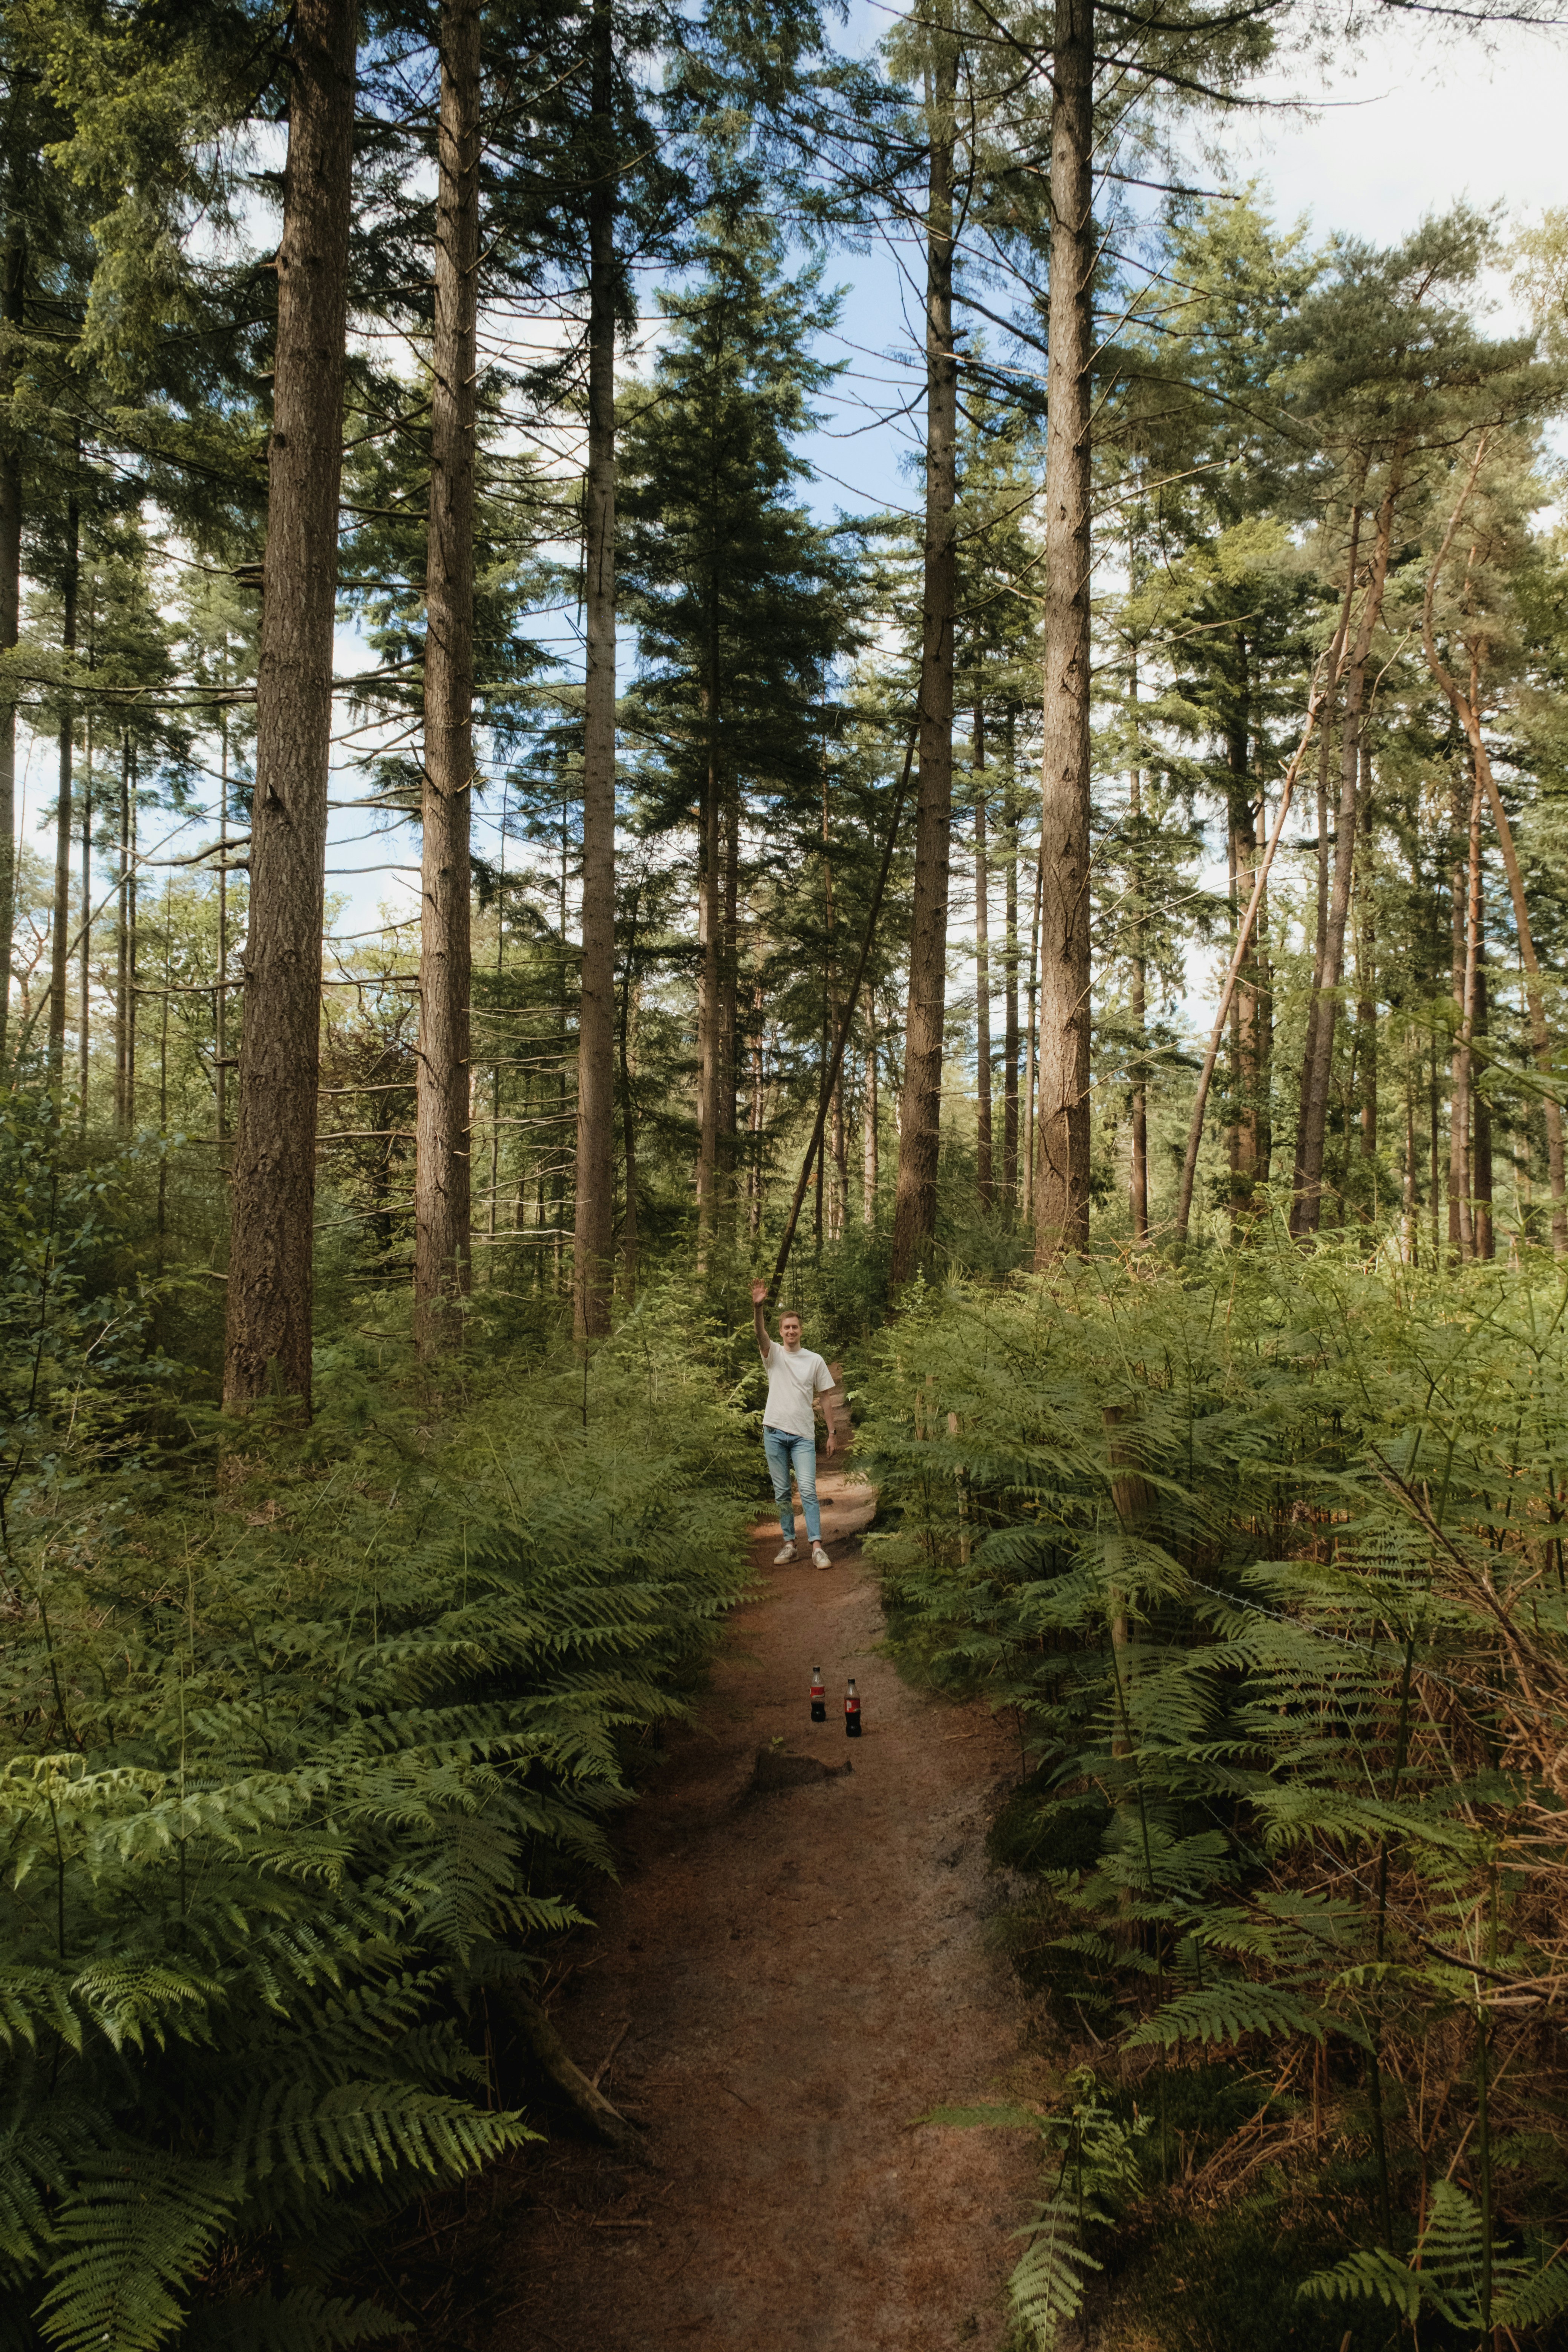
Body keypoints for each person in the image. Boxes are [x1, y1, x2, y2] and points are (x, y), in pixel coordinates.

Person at [751, 1279, 839, 1568]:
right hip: (774, 1432)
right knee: (782, 1493)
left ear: (801, 1331)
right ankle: (790, 1544)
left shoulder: (814, 1361)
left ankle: (816, 1547)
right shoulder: (773, 1354)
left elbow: (826, 1399)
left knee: (809, 1491)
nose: (791, 1331)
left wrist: (832, 1434)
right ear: (781, 1332)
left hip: (803, 1436)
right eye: (786, 1328)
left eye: (795, 1327)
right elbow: (760, 1334)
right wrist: (758, 1308)